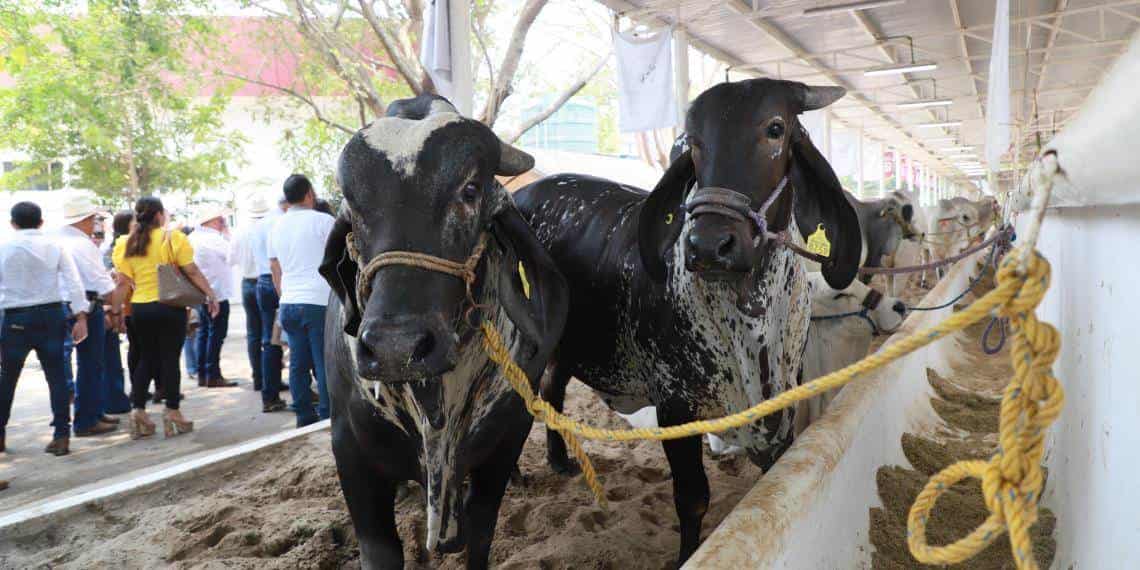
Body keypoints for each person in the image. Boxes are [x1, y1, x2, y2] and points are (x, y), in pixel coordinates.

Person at [111, 197, 218, 439]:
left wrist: (116, 311)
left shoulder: (126, 244)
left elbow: (123, 282)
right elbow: (191, 270)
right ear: (159, 215)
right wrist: (210, 294)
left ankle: (138, 411)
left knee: (146, 358)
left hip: (140, 308)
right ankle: (172, 412)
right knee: (170, 359)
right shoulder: (173, 238)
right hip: (169, 307)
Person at [0, 202, 89, 456]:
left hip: (15, 317)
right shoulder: (55, 246)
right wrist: (80, 315)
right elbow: (73, 281)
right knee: (57, 376)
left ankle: (0, 435)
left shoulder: (4, 248)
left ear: (12, 223)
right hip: (51, 314)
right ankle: (61, 435)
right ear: (41, 222)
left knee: (7, 378)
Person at [269, 175, 333, 427]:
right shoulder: (324, 221)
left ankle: (303, 415)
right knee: (323, 362)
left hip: (289, 301)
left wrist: (283, 295)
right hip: (318, 300)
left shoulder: (277, 225)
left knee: (297, 363)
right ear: (309, 193)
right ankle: (328, 414)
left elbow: (274, 267)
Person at [57, 196, 119, 437]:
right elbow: (101, 283)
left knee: (85, 364)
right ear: (85, 219)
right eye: (94, 218)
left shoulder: (59, 240)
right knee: (91, 363)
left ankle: (92, 411)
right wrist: (114, 310)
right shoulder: (82, 245)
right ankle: (86, 419)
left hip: (66, 305)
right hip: (85, 305)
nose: (96, 223)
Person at [189, 208, 237, 388]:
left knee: (204, 334)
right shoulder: (214, 239)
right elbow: (233, 256)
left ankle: (203, 373)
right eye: (220, 220)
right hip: (216, 293)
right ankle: (213, 374)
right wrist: (227, 234)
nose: (222, 223)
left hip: (202, 292)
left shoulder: (193, 237)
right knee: (216, 335)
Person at [249, 196, 287, 413]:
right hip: (278, 280)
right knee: (293, 340)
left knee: (268, 340)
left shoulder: (260, 224)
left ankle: (270, 392)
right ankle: (273, 394)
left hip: (262, 282)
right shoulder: (281, 222)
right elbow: (278, 262)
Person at [231, 196, 271, 395]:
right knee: (269, 334)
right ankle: (270, 380)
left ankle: (258, 378)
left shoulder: (240, 231)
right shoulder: (270, 226)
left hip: (247, 282)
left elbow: (232, 259)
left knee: (253, 333)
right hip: (266, 281)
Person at [102, 211, 133, 414]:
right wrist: (115, 310)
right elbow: (116, 280)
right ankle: (117, 400)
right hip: (121, 302)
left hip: (121, 303)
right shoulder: (115, 249)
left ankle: (121, 398)